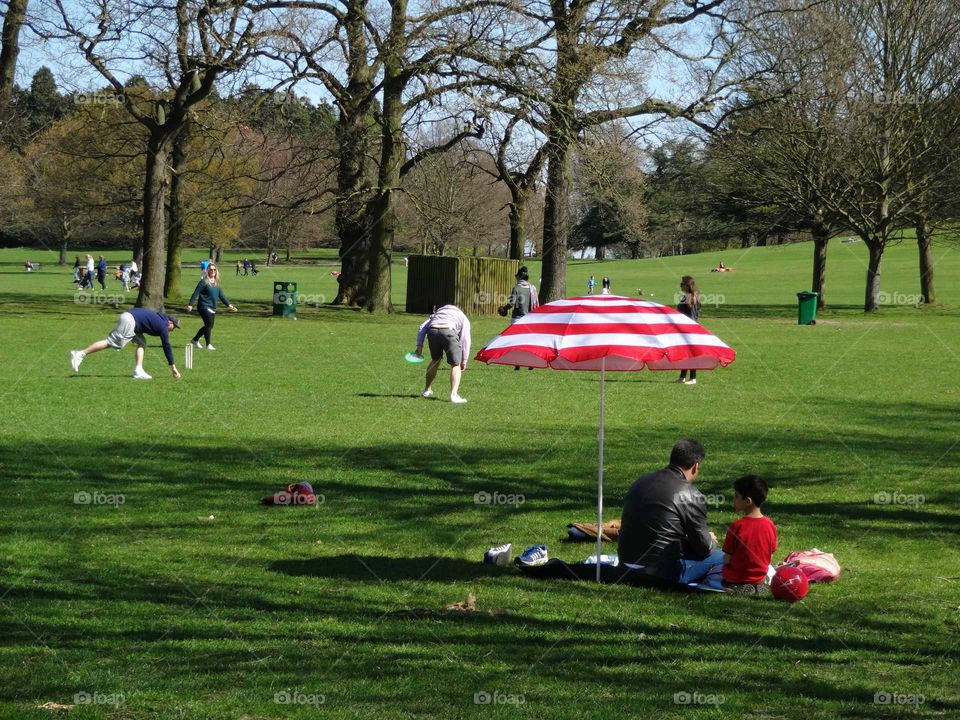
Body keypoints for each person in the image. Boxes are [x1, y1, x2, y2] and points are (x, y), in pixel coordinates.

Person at [617, 438, 723, 583]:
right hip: (659, 573)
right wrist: (711, 540)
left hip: (625, 565)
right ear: (695, 467)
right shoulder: (691, 494)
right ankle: (714, 584)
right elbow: (704, 548)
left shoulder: (641, 481)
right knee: (724, 557)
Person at [70, 308, 182, 380]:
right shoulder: (163, 326)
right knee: (111, 342)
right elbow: (166, 346)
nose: (173, 330)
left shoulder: (160, 319)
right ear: (170, 322)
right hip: (130, 321)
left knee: (142, 343)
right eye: (174, 327)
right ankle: (79, 354)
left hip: (130, 317)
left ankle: (138, 370)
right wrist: (173, 367)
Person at [721, 475, 778, 594]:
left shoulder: (737, 526)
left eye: (736, 496)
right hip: (759, 577)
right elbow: (769, 557)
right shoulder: (770, 525)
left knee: (712, 572)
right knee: (772, 569)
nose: (733, 499)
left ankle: (739, 588)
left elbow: (727, 559)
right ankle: (759, 585)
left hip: (735, 578)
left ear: (748, 501)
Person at [415, 304, 471, 404]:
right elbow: (465, 339)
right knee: (455, 365)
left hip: (433, 331)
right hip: (449, 331)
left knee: (435, 360)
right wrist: (464, 360)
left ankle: (427, 390)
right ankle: (454, 395)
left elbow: (422, 327)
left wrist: (419, 346)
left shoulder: (436, 314)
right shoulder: (462, 316)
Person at [186, 263, 236, 350]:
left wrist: (229, 305)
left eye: (214, 269)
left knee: (209, 326)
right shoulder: (203, 282)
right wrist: (190, 304)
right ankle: (208, 345)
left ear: (216, 271)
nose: (213, 271)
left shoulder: (216, 283)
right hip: (203, 306)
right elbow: (195, 293)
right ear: (207, 271)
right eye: (211, 270)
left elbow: (221, 296)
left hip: (212, 307)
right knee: (209, 324)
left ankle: (195, 340)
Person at [676, 275, 701, 385]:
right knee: (685, 353)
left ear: (687, 286)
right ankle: (682, 377)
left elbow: (691, 317)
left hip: (689, 329)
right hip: (686, 328)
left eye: (682, 284)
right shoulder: (690, 296)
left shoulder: (691, 298)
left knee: (690, 354)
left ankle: (693, 378)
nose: (680, 286)